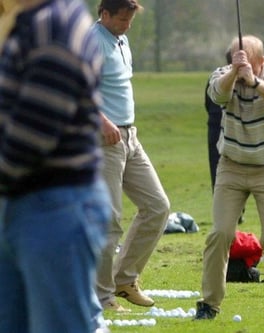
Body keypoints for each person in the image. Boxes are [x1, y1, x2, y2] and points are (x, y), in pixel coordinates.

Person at [0, 1, 111, 331]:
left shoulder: (56, 24)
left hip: (55, 209)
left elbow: (32, 135)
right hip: (22, 203)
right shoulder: (28, 22)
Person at [194, 35, 264, 322]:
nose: (238, 67)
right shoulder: (223, 76)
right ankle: (209, 304)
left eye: (247, 61)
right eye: (234, 61)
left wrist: (254, 82)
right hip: (232, 167)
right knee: (220, 233)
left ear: (261, 61)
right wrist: (233, 74)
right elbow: (217, 95)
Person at [91, 0, 171, 313]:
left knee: (157, 206)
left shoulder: (121, 39)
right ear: (105, 14)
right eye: (122, 18)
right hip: (103, 138)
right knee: (109, 219)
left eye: (130, 19)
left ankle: (124, 279)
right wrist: (102, 121)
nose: (127, 24)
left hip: (130, 137)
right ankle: (101, 296)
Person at [205, 49, 231, 191]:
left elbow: (207, 105)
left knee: (217, 176)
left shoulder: (214, 79)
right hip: (220, 131)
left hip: (214, 129)